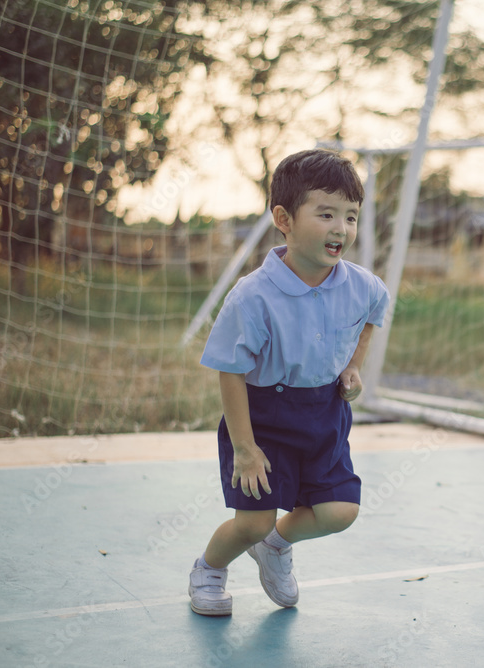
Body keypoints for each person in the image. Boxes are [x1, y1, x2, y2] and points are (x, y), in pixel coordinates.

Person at [188, 148, 389, 616]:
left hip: (325, 412)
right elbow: (231, 370)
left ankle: (276, 547)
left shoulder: (363, 285)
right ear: (284, 218)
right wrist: (244, 447)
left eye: (351, 216)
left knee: (340, 512)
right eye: (326, 214)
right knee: (253, 522)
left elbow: (372, 316)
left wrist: (353, 366)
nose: (341, 228)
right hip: (263, 417)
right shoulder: (253, 296)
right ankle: (209, 569)